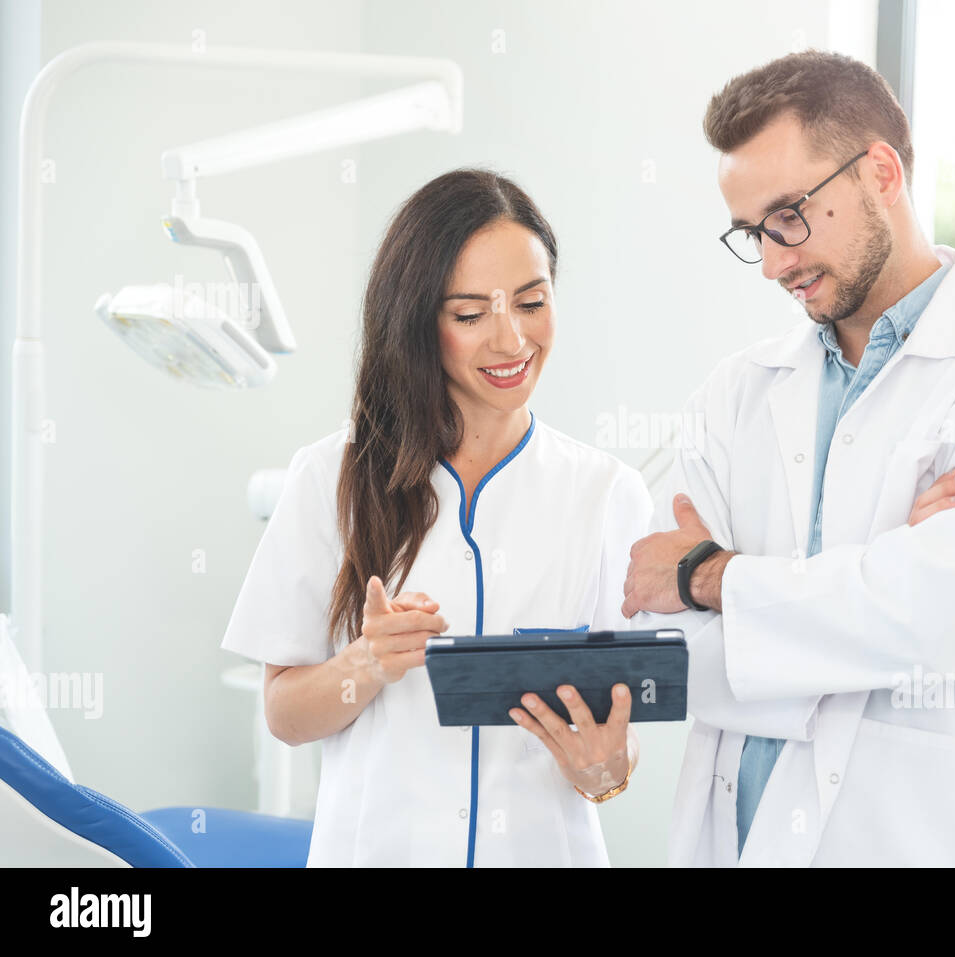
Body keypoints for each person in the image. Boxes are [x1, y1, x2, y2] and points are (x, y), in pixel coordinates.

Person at [621, 50, 955, 866]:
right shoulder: (736, 395)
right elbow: (668, 657)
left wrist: (712, 577)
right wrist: (884, 578)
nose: (775, 261)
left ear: (881, 170)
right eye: (753, 234)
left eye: (791, 216)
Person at [220, 168, 651, 867]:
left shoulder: (606, 493)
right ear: (421, 323)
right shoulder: (331, 480)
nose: (511, 340)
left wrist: (603, 767)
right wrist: (366, 662)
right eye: (471, 314)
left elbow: (616, 747)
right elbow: (285, 714)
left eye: (532, 301)